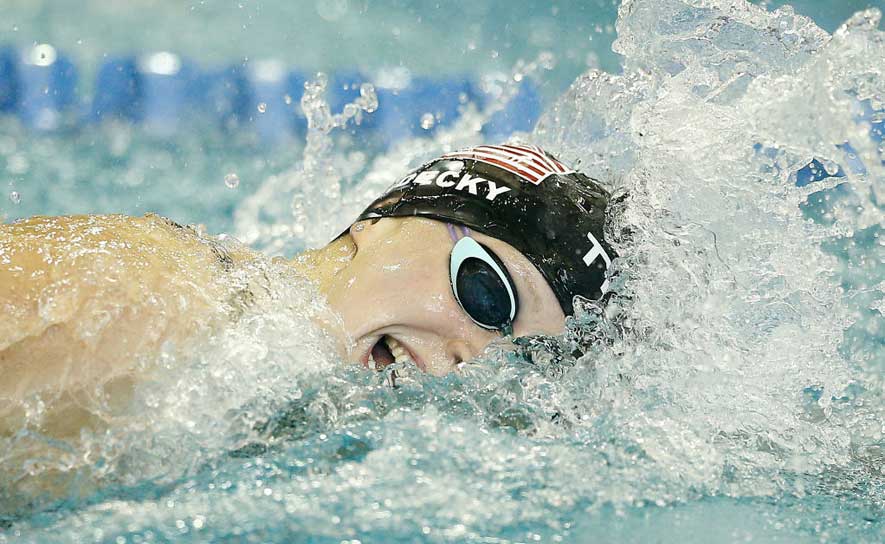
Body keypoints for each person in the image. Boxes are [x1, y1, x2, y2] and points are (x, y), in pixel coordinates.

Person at [0, 143, 614, 431]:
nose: (469, 362)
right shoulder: (154, 293)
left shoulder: (258, 401)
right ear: (379, 225)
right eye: (487, 295)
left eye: (519, 359)